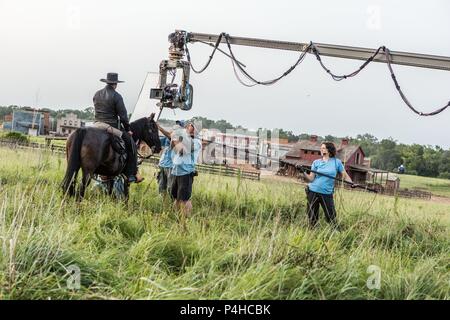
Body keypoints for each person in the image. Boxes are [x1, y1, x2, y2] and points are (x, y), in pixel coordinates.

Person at [93, 72, 143, 183]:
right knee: (130, 144)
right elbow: (123, 116)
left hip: (95, 125)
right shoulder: (117, 96)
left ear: (107, 82)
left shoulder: (97, 94)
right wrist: (128, 129)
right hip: (109, 126)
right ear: (115, 84)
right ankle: (131, 174)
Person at [299, 142, 355, 228]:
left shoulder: (337, 162)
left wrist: (351, 183)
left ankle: (337, 233)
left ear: (329, 150)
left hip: (326, 193)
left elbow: (344, 175)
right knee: (312, 218)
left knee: (331, 217)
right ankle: (312, 234)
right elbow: (311, 178)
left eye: (323, 148)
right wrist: (302, 172)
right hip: (313, 191)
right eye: (321, 148)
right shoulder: (316, 162)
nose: (321, 149)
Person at [159, 121, 201, 216]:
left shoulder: (196, 142)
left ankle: (185, 219)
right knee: (176, 197)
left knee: (184, 199)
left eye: (192, 127)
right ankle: (176, 217)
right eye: (189, 126)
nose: (189, 127)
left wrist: (175, 139)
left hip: (186, 173)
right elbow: (173, 145)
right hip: (176, 171)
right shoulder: (184, 139)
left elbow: (182, 151)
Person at [156, 120, 186, 195]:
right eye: (176, 125)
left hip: (171, 166)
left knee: (170, 188)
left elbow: (170, 136)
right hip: (162, 164)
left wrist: (159, 127)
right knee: (161, 187)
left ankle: (171, 204)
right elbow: (157, 141)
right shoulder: (167, 137)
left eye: (179, 125)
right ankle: (163, 204)